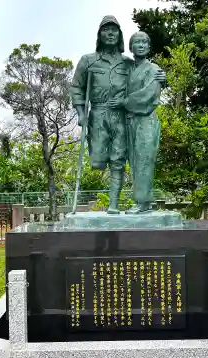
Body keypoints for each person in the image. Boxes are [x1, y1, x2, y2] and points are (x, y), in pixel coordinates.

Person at [70, 16, 165, 214]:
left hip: (121, 116)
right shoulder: (88, 60)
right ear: (100, 34)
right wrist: (81, 113)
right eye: (106, 30)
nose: (111, 33)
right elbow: (77, 88)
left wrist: (162, 78)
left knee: (119, 159)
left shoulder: (127, 63)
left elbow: (144, 75)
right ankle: (122, 195)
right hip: (98, 114)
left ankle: (113, 205)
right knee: (97, 162)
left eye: (114, 30)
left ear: (120, 35)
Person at [107, 31, 162, 214]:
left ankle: (142, 203)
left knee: (144, 160)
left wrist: (124, 102)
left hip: (146, 120)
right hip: (130, 121)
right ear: (131, 47)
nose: (140, 45)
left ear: (149, 47)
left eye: (144, 42)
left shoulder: (154, 69)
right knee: (135, 161)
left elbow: (149, 95)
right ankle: (145, 200)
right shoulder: (128, 68)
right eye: (136, 42)